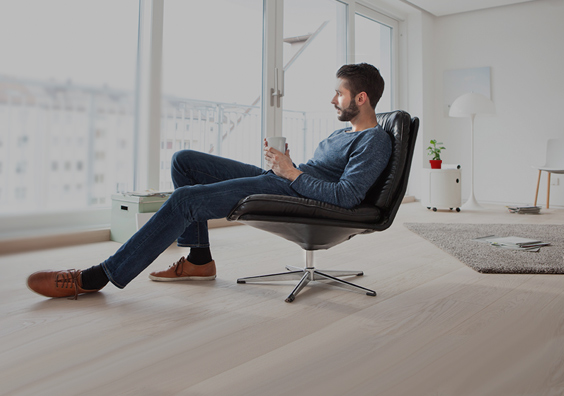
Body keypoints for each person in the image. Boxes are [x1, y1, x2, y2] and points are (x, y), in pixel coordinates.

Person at [27, 63, 392, 299]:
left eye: (340, 93)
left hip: (291, 190)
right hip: (285, 180)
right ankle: (199, 258)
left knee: (186, 199)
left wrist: (291, 173)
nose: (333, 99)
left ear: (361, 98)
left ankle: (98, 277)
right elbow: (318, 174)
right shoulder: (341, 135)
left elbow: (345, 196)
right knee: (185, 162)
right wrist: (286, 163)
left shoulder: (373, 140)